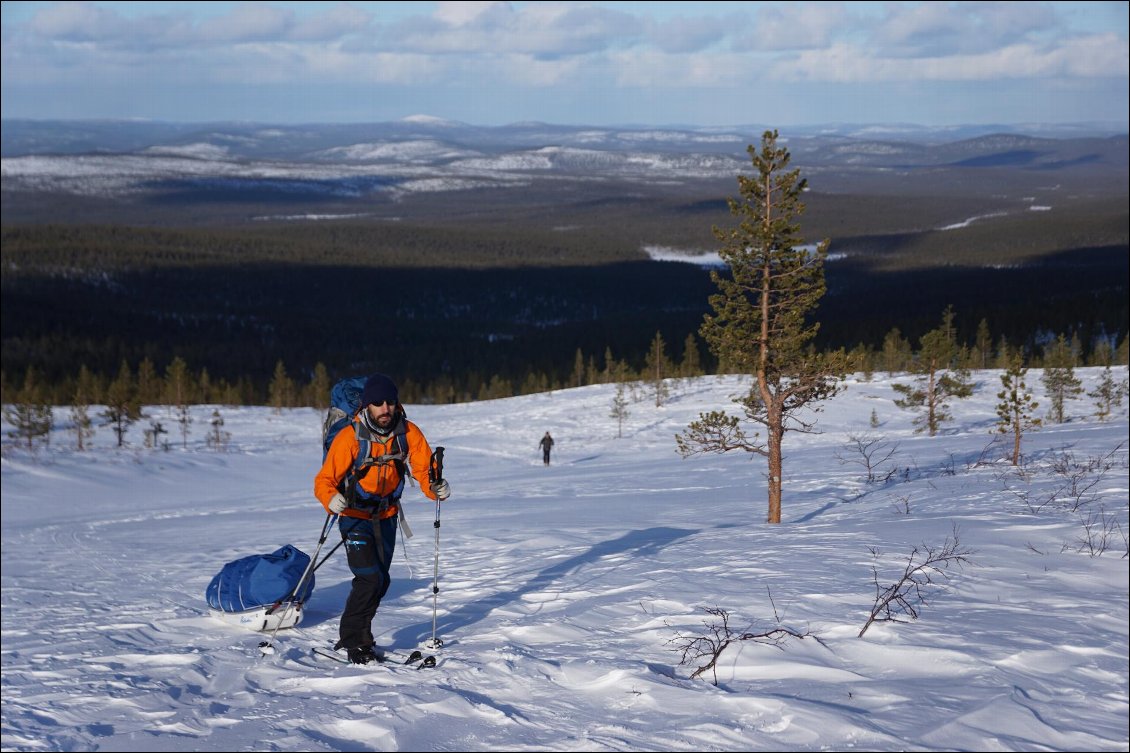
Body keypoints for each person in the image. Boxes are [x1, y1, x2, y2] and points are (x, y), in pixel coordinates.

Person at [314, 373, 450, 664]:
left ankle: (360, 632)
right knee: (369, 578)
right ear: (367, 406)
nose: (385, 408)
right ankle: (356, 641)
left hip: (387, 515)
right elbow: (325, 479)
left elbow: (425, 471)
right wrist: (330, 498)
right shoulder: (350, 436)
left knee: (381, 580)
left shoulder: (408, 432)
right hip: (353, 515)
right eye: (378, 403)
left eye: (389, 401)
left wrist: (435, 488)